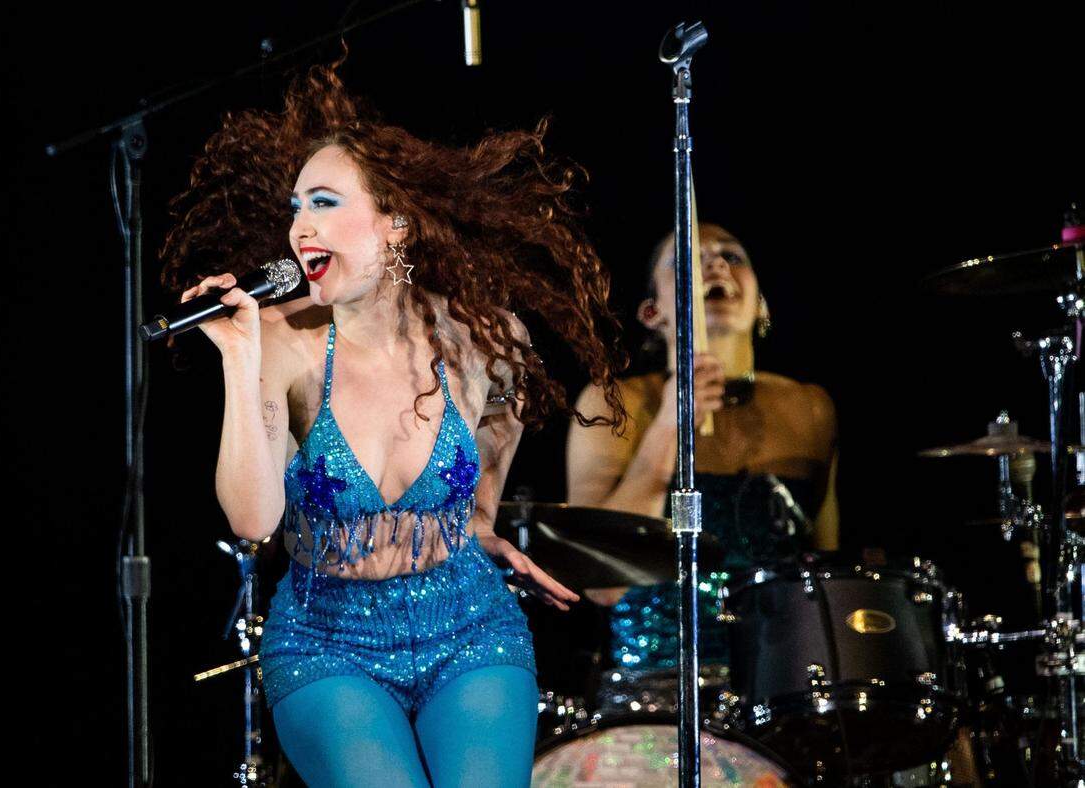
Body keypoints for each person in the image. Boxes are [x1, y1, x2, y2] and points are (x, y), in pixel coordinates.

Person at [160, 60, 626, 787]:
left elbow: (504, 414)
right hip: (327, 641)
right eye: (295, 208)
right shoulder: (283, 344)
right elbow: (252, 521)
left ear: (397, 224)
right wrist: (239, 359)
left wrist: (479, 521)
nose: (300, 227)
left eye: (323, 203)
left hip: (468, 625)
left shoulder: (477, 337)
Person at [565, 223, 837, 694]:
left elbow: (828, 572)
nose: (714, 265)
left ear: (762, 304)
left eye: (733, 256)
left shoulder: (809, 408)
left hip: (782, 686)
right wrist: (668, 425)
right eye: (687, 259)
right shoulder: (612, 403)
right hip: (656, 690)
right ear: (652, 312)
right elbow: (599, 584)